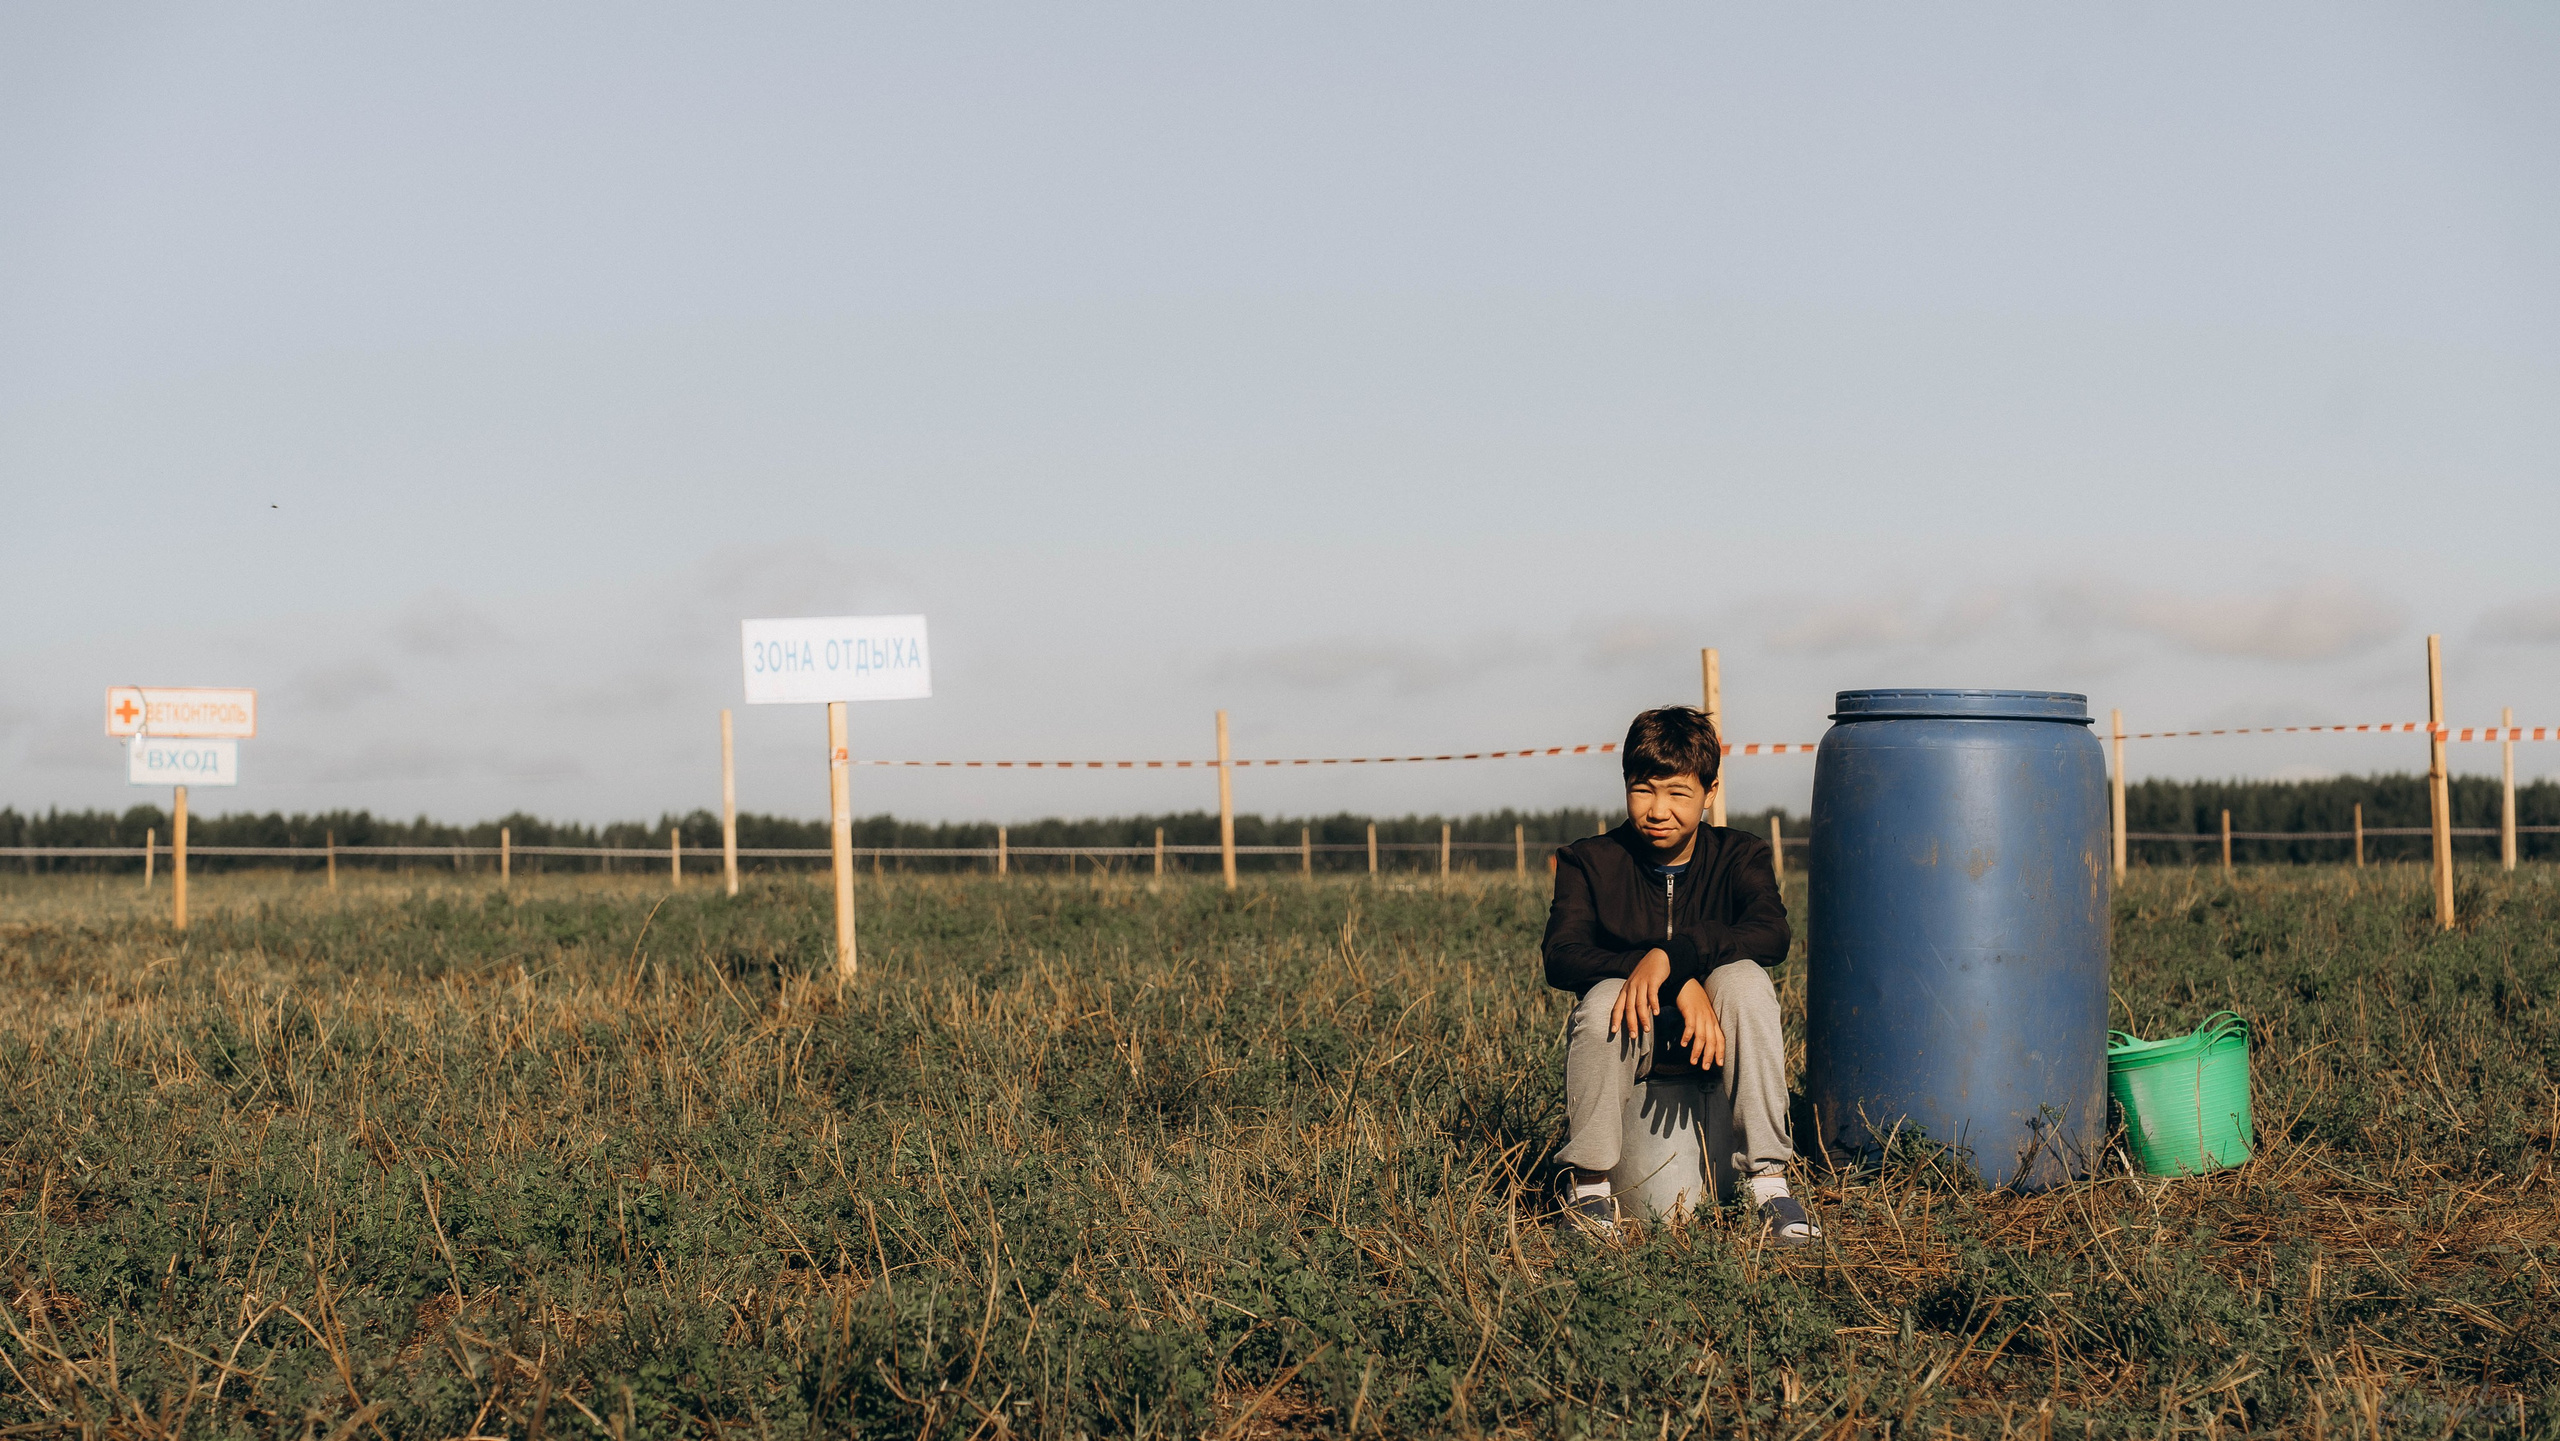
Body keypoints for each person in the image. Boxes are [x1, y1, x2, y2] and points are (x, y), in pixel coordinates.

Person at [1540, 705, 1819, 1246]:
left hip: (1715, 1046)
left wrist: (1679, 956)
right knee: (1603, 1002)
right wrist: (1665, 976)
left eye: (1678, 793)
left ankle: (1769, 1184)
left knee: (1745, 983)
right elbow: (1563, 955)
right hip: (1638, 1046)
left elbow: (1771, 935)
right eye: (1644, 790)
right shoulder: (1589, 862)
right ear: (1625, 785)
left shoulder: (1740, 855)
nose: (1658, 810)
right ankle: (1590, 1189)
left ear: (1710, 792)